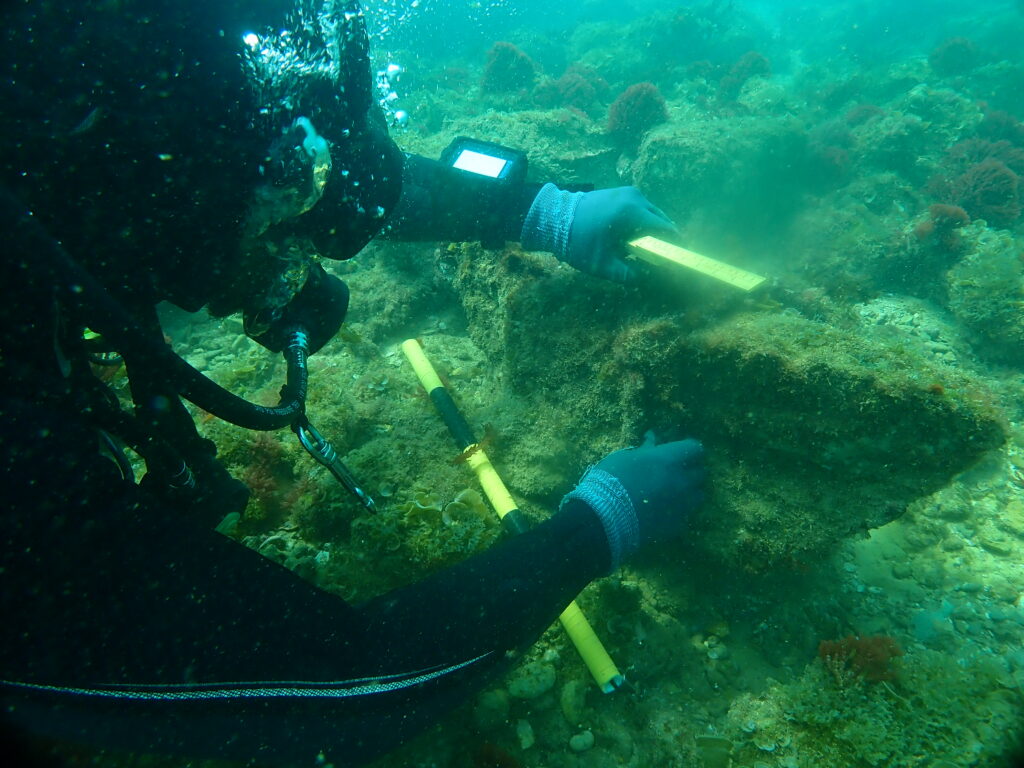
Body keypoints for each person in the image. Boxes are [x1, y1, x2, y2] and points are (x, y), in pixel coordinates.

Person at [0, 1, 705, 764]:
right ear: (168, 200)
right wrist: (601, 525)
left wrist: (544, 212)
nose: (309, 231)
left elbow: (354, 187)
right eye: (286, 194)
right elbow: (343, 686)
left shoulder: (89, 160)